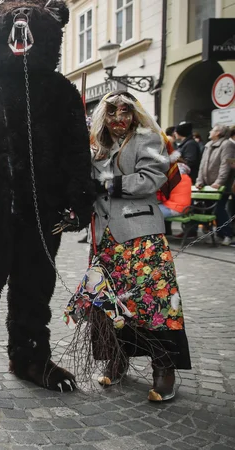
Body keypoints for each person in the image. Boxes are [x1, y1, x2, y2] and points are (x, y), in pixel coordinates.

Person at [80, 90, 191, 402]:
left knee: (153, 301)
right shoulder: (95, 145)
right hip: (104, 238)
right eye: (112, 112)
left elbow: (152, 178)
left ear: (134, 112)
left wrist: (107, 184)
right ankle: (117, 358)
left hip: (141, 235)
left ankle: (164, 367)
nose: (119, 119)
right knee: (110, 303)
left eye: (124, 111)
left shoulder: (149, 139)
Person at [195, 125, 235, 246]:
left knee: (219, 209)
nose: (209, 131)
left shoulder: (227, 145)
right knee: (209, 210)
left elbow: (225, 165)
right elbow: (202, 166)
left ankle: (228, 234)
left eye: (212, 129)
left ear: (218, 133)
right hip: (208, 186)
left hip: (220, 186)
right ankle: (219, 234)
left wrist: (219, 182)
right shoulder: (208, 145)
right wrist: (199, 181)